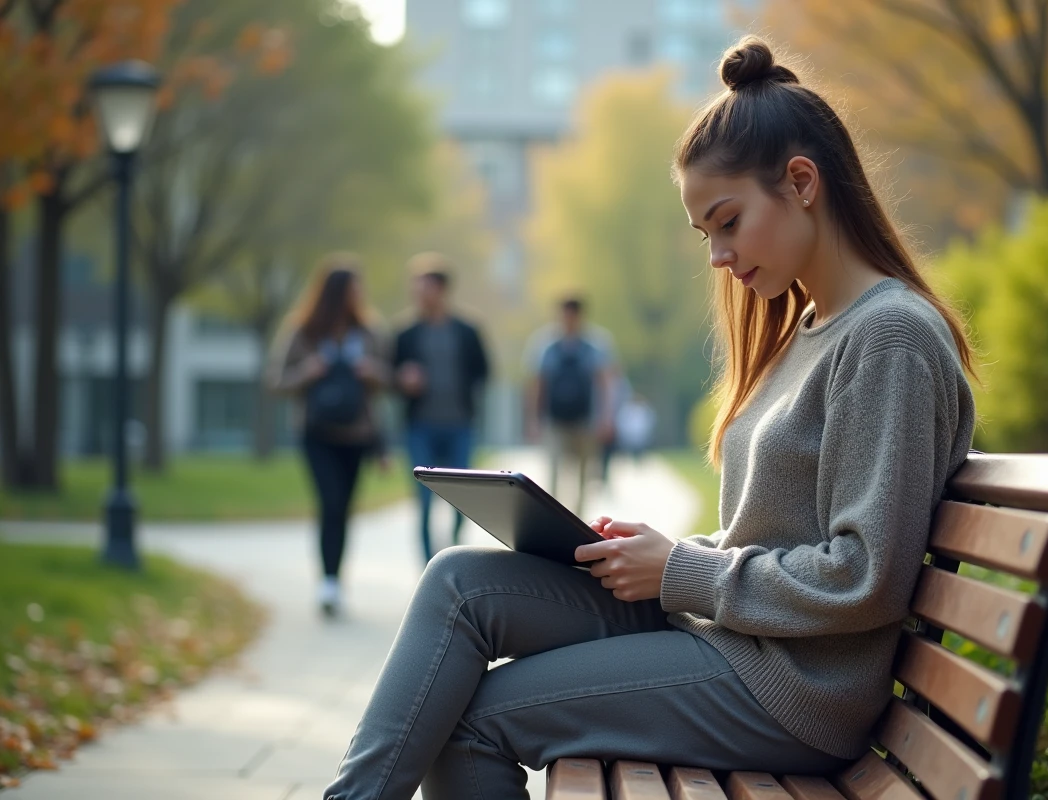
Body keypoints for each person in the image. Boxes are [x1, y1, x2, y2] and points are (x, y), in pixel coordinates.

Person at [323, 36, 976, 800]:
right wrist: (665, 554)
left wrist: (681, 571)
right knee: (460, 582)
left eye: (728, 222)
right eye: (707, 234)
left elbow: (867, 576)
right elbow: (782, 536)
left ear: (802, 182)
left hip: (792, 691)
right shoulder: (809, 329)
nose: (718, 257)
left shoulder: (888, 337)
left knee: (473, 719)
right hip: (739, 643)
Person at [269, 254, 388, 618]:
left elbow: (387, 381)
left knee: (344, 509)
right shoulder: (303, 332)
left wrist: (371, 372)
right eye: (354, 289)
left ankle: (335, 579)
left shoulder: (369, 333)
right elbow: (275, 381)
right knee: (330, 503)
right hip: (316, 433)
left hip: (356, 435)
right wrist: (308, 370)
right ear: (337, 292)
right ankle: (328, 581)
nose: (359, 295)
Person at [392, 253, 490, 563]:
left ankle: (454, 549)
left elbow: (484, 371)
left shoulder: (467, 330)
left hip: (460, 424)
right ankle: (427, 567)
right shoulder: (405, 333)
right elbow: (390, 375)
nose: (420, 294)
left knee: (461, 498)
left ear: (443, 290)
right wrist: (402, 379)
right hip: (420, 426)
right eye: (417, 288)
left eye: (426, 288)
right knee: (422, 499)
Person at [523, 297, 615, 514]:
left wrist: (606, 417)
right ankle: (554, 517)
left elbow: (605, 383)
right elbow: (537, 385)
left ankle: (579, 518)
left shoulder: (595, 345)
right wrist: (533, 419)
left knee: (584, 475)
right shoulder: (545, 346)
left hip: (585, 421)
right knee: (553, 472)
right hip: (555, 421)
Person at [615, 392, 656, 463]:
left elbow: (650, 422)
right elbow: (622, 421)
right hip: (629, 436)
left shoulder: (644, 409)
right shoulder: (627, 409)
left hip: (640, 436)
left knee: (639, 453)